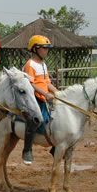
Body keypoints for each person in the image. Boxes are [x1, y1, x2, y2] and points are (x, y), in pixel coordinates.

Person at [21, 35, 58, 165]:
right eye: (44, 48)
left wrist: (57, 92)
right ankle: (27, 150)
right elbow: (30, 84)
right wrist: (45, 94)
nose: (46, 51)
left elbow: (47, 82)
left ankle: (55, 147)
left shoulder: (43, 64)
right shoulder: (30, 64)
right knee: (35, 120)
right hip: (34, 98)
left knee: (59, 118)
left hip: (45, 97)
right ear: (36, 49)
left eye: (47, 48)